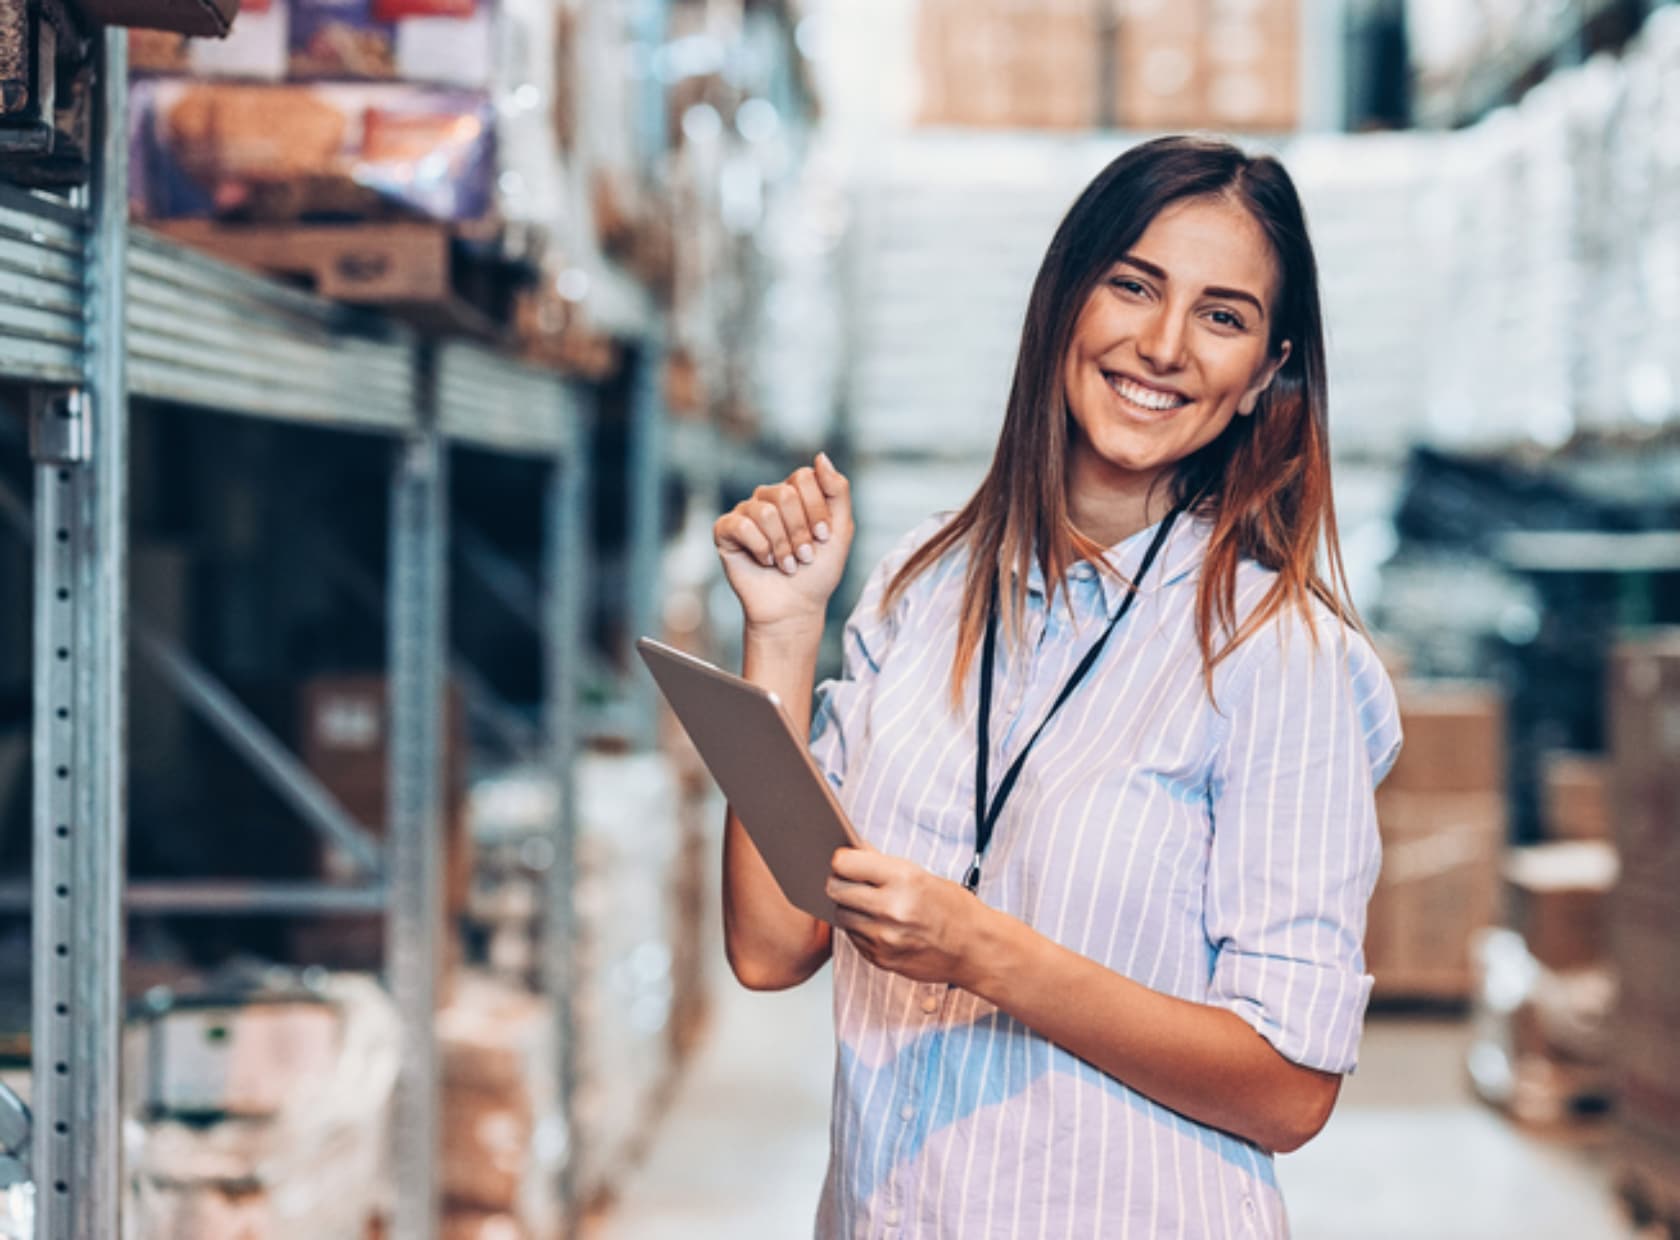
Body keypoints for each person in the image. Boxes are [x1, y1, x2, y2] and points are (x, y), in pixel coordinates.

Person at [712, 135, 1403, 1239]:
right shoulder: (919, 588)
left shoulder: (1284, 658)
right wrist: (784, 637)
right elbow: (769, 945)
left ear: (1265, 374)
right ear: (1065, 299)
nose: (1163, 344)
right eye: (1133, 285)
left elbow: (1289, 1090)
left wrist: (987, 951)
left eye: (1221, 317)